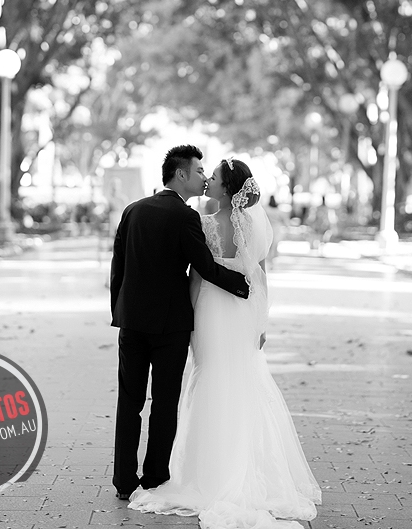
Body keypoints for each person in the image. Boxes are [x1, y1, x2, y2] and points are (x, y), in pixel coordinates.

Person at [129, 157, 321, 529]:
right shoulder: (253, 226)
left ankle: (210, 472)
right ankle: (243, 465)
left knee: (210, 377)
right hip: (243, 308)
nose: (208, 181)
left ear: (227, 188)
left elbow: (197, 276)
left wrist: (186, 319)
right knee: (241, 379)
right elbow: (260, 273)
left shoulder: (204, 223)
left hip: (210, 309)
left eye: (214, 177)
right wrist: (261, 320)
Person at [110, 144, 249, 501]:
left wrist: (119, 312)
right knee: (164, 403)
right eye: (200, 171)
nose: (204, 177)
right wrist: (243, 284)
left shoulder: (132, 210)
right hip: (170, 326)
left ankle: (123, 481)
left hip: (131, 323)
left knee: (129, 402)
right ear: (182, 174)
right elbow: (205, 267)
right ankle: (154, 478)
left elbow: (118, 268)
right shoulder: (185, 217)